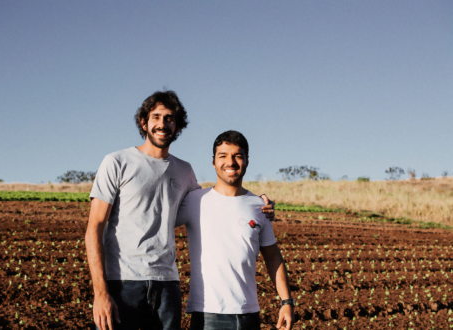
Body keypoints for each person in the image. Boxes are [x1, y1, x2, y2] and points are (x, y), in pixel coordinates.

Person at [85, 91, 275, 330]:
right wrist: (100, 292)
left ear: (177, 125)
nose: (163, 124)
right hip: (122, 281)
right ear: (144, 122)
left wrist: (258, 203)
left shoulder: (184, 171)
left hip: (168, 286)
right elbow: (94, 228)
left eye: (169, 118)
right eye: (156, 117)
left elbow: (216, 201)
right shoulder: (117, 162)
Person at [176, 130, 295, 330]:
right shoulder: (194, 200)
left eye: (237, 156)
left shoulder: (259, 206)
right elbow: (156, 219)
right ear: (213, 162)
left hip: (249, 315)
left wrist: (286, 302)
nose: (230, 162)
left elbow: (273, 257)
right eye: (223, 156)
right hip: (207, 316)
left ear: (247, 161)